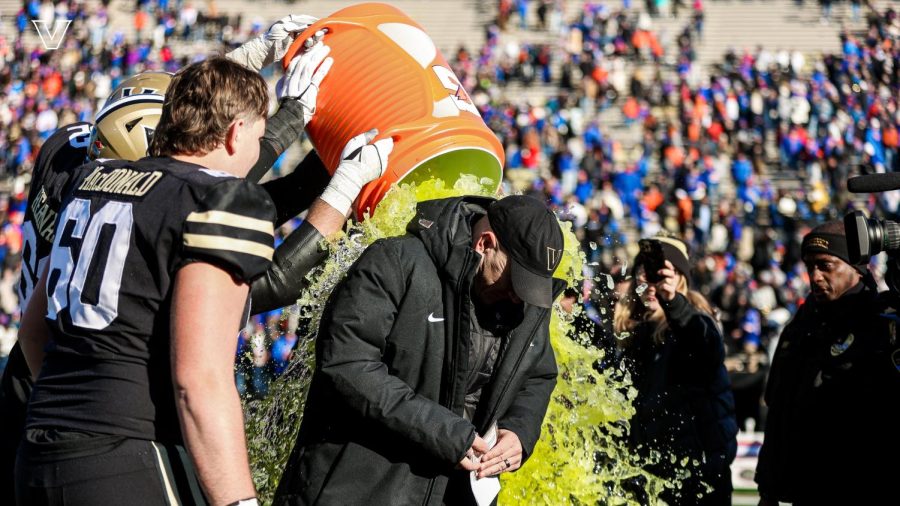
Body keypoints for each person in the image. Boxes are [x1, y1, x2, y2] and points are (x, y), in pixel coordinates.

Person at [13, 49, 386, 504]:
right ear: (234, 133)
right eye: (259, 137)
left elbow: (33, 332)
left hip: (37, 452)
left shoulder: (93, 181)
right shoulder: (219, 199)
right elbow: (200, 378)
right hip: (128, 455)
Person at [274, 195, 565, 505]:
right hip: (354, 487)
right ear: (484, 243)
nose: (519, 297)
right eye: (515, 281)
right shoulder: (395, 261)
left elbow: (538, 374)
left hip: (453, 494)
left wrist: (519, 430)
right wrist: (444, 433)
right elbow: (347, 366)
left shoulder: (526, 303)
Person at [755, 221, 900, 505]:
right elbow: (778, 411)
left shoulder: (885, 324)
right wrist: (767, 489)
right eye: (809, 266)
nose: (815, 276)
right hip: (805, 491)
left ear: (856, 268)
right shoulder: (799, 326)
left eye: (825, 265)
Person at [612, 236, 737, 505]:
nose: (652, 282)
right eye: (644, 270)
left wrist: (672, 301)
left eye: (663, 272)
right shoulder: (632, 337)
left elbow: (705, 345)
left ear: (679, 278)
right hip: (646, 481)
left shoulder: (695, 321)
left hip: (695, 484)